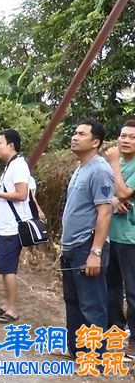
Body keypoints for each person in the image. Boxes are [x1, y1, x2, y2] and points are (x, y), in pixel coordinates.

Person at [60, 119, 114, 358]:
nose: (74, 136)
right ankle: (77, 350)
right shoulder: (82, 167)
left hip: (87, 246)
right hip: (71, 247)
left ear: (95, 142)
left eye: (81, 133)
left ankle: (95, 357)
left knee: (92, 305)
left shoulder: (101, 170)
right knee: (73, 302)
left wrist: (96, 252)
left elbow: (105, 211)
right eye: (74, 132)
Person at [0, 129, 32, 324]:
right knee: (3, 268)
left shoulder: (18, 165)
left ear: (11, 145)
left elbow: (22, 194)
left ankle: (12, 309)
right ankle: (7, 304)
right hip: (3, 227)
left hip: (12, 228)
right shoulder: (10, 166)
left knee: (9, 269)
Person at [103, 120, 135, 358]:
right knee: (111, 287)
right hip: (111, 235)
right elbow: (110, 194)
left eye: (132, 137)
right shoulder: (120, 165)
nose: (125, 140)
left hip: (130, 238)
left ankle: (134, 341)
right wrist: (113, 201)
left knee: (132, 291)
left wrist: (113, 162)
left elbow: (124, 192)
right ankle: (115, 330)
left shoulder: (124, 165)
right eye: (123, 135)